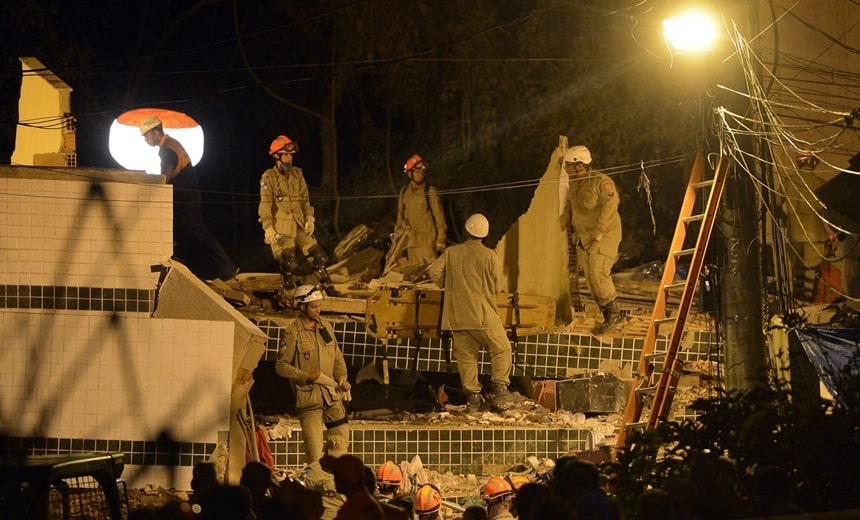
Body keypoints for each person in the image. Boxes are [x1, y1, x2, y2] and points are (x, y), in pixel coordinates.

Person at [428, 213, 520, 412]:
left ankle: (473, 401)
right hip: (483, 315)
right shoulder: (489, 255)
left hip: (457, 316)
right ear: (484, 235)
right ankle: (500, 391)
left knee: (466, 357)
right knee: (502, 348)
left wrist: (448, 284)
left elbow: (434, 272)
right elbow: (499, 286)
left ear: (466, 231)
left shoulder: (451, 252)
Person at [139, 115, 237, 281]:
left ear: (155, 132)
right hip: (186, 196)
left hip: (185, 198)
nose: (146, 140)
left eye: (146, 135)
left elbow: (166, 176)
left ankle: (227, 267)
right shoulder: (172, 144)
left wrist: (151, 187)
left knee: (198, 232)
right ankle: (190, 269)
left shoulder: (167, 149)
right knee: (185, 234)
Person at [275, 284, 351, 464]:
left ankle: (336, 484)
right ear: (302, 307)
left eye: (319, 306)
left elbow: (337, 355)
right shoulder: (293, 332)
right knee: (315, 454)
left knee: (340, 445)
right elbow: (281, 366)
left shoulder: (326, 327)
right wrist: (306, 376)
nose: (318, 310)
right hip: (309, 402)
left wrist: (342, 377)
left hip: (332, 398)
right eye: (314, 306)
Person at [258, 134, 340, 296]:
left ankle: (328, 287)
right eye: (286, 154)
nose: (289, 158)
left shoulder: (297, 175)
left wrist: (310, 218)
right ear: (277, 156)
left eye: (291, 155)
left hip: (299, 223)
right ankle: (288, 292)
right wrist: (268, 228)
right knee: (289, 261)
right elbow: (265, 205)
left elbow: (305, 200)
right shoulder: (269, 178)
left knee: (318, 256)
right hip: (282, 227)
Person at [559, 145, 623, 334]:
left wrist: (599, 229)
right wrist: (565, 214)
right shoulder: (574, 183)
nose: (565, 169)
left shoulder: (600, 182)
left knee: (598, 272)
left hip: (605, 235)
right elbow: (572, 203)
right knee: (589, 277)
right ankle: (607, 313)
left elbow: (611, 205)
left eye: (569, 165)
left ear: (580, 166)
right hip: (585, 237)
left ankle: (614, 314)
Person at [393, 154, 447, 267]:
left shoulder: (429, 190)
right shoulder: (404, 193)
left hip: (427, 243)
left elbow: (439, 215)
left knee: (431, 276)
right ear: (410, 174)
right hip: (410, 244)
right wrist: (397, 241)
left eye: (422, 172)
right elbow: (400, 218)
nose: (420, 174)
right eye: (417, 172)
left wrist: (441, 237)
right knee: (413, 276)